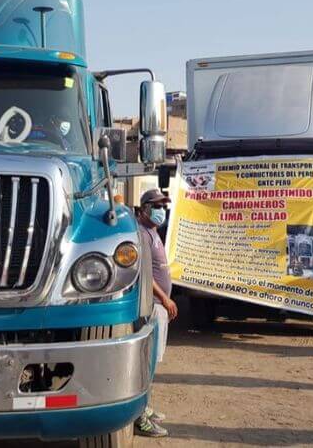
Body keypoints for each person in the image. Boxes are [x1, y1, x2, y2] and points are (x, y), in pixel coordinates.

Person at [134, 188, 178, 438]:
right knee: (146, 362)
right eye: (157, 205)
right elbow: (145, 274)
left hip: (159, 307)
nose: (161, 209)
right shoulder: (141, 234)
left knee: (152, 363)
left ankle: (144, 406)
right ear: (144, 209)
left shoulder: (153, 232)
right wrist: (164, 298)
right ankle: (139, 416)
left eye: (163, 205)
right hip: (152, 306)